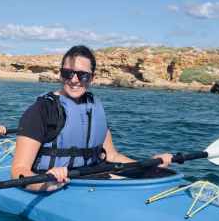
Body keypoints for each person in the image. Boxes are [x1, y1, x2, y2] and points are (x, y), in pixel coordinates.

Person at [11, 45, 172, 191]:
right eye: (68, 73)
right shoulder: (41, 110)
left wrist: (149, 165)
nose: (74, 80)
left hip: (93, 177)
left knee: (161, 175)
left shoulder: (94, 106)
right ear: (61, 74)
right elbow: (19, 170)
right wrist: (46, 184)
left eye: (83, 75)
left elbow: (112, 156)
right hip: (54, 182)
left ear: (92, 78)